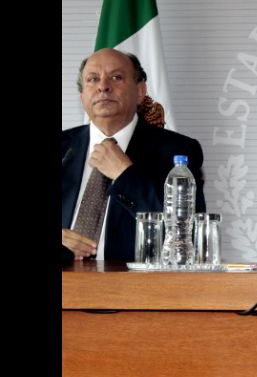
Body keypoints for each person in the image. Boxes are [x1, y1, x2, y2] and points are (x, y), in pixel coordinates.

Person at [62, 48, 206, 261]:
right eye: (92, 79)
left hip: (134, 287)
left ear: (140, 91)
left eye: (116, 77)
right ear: (82, 96)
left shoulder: (178, 150)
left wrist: (125, 174)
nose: (103, 86)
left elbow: (189, 235)